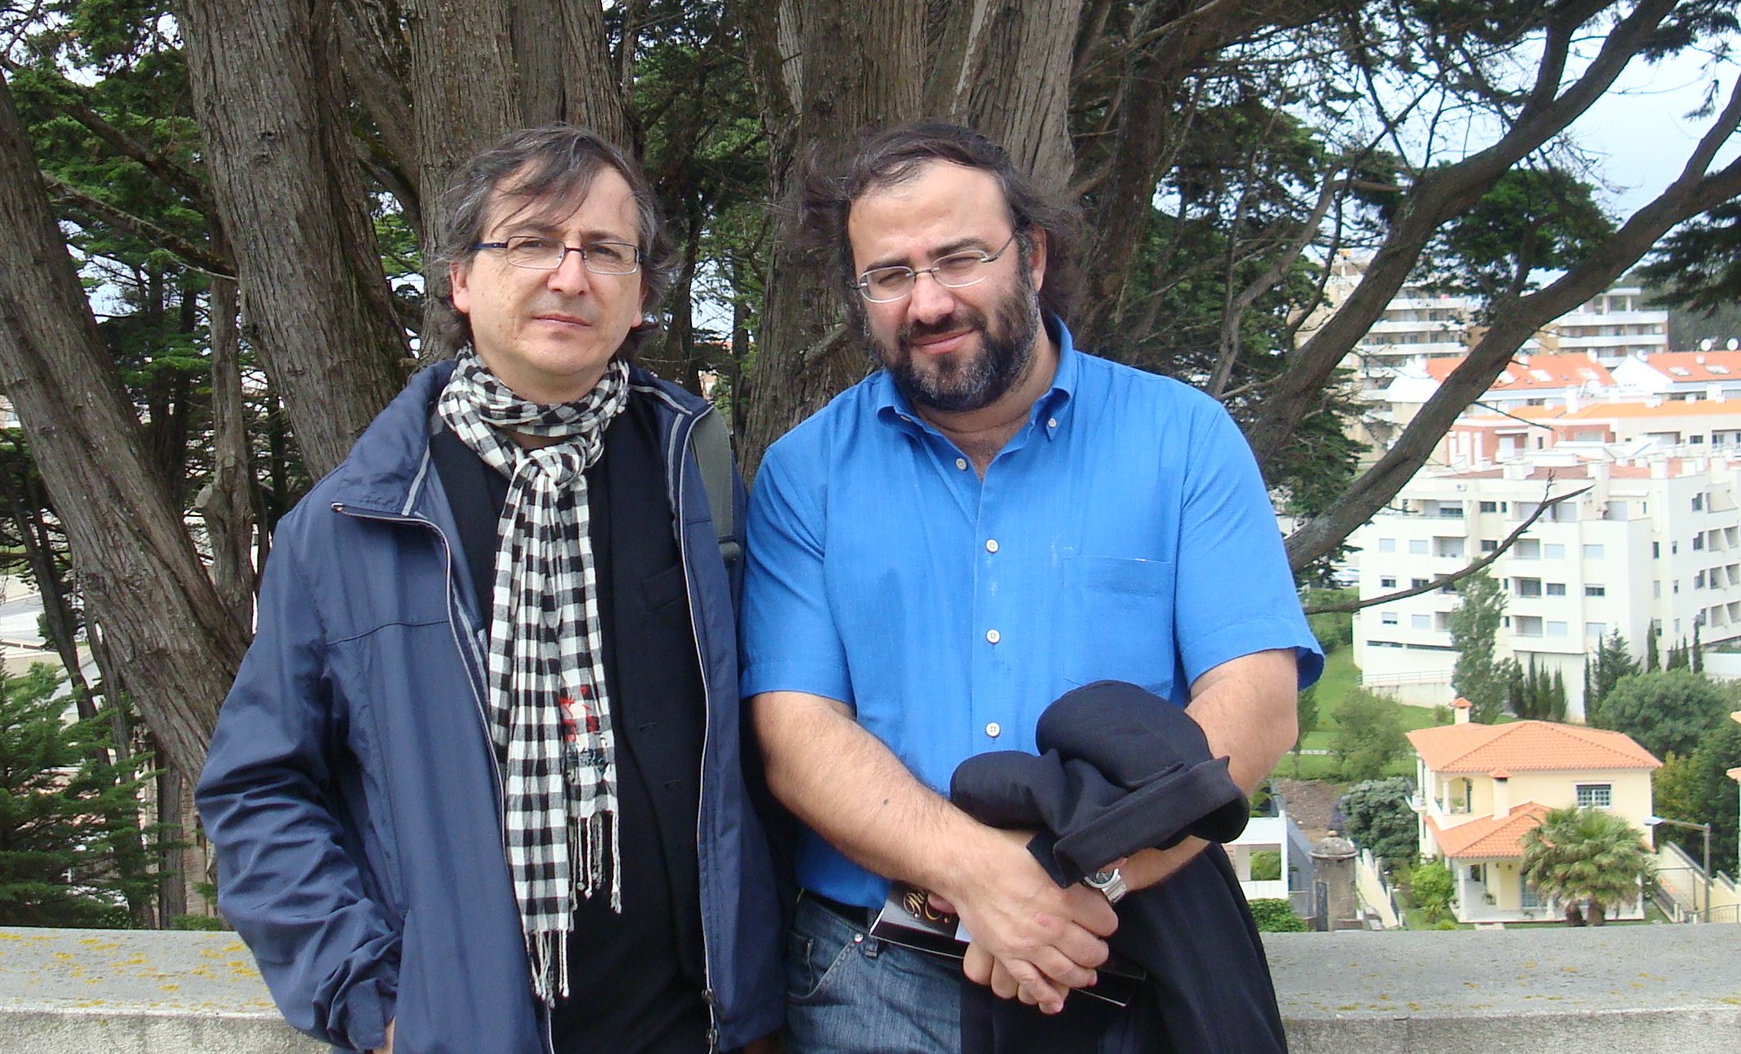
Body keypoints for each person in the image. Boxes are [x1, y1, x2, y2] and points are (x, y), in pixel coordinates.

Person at [197, 125, 782, 1054]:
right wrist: (370, 1000)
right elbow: (257, 787)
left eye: (604, 250)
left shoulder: (699, 478)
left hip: (696, 1030)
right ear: (462, 280)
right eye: (530, 242)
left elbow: (762, 749)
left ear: (639, 298)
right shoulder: (356, 523)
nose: (569, 273)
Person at [740, 122, 1322, 1052]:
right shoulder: (803, 472)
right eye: (888, 275)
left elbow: (1255, 703)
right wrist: (979, 875)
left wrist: (1081, 880)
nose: (928, 301)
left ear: (1034, 255)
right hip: (872, 983)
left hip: (1128, 965)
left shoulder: (1185, 440)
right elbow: (797, 732)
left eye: (959, 258)